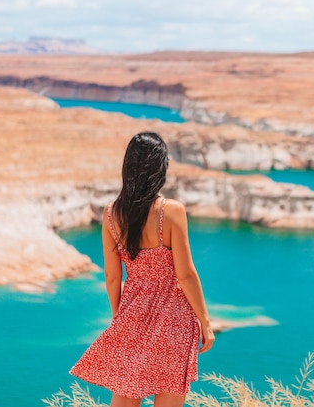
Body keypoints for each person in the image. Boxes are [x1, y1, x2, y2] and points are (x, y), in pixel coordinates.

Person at [70, 131, 215, 407]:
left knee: (125, 399)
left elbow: (113, 277)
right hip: (175, 317)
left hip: (133, 314)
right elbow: (185, 274)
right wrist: (205, 322)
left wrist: (120, 320)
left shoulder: (112, 213)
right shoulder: (171, 211)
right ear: (160, 168)